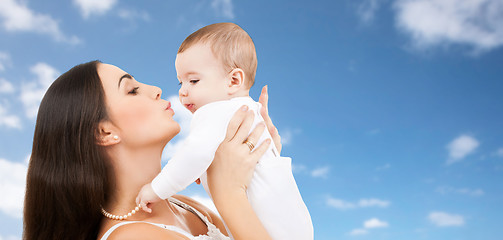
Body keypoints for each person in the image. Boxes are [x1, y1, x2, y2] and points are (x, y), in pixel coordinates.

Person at [23, 60, 283, 240]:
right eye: (132, 90)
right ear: (104, 132)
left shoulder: (185, 206)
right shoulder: (132, 236)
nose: (156, 90)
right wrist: (228, 193)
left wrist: (261, 165)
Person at [136, 23, 313, 240]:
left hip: (267, 226)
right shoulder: (247, 109)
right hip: (293, 223)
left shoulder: (213, 111)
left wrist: (156, 190)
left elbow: (195, 153)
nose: (182, 92)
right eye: (181, 82)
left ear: (233, 80)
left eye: (193, 81)